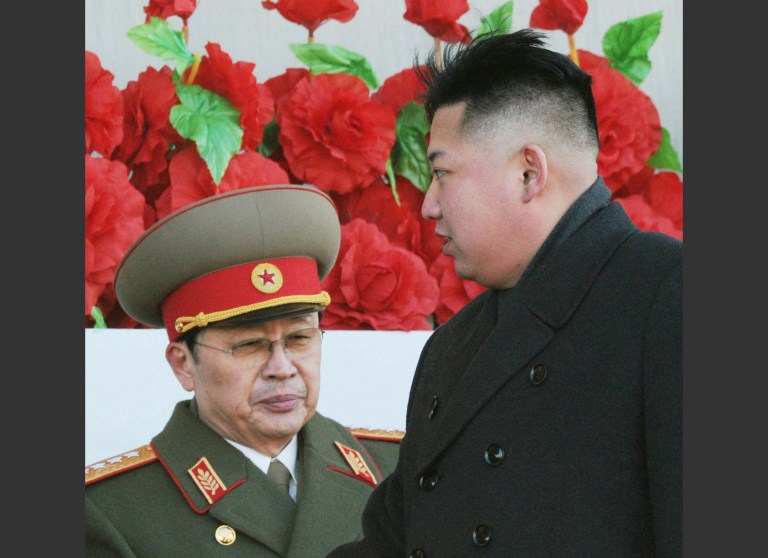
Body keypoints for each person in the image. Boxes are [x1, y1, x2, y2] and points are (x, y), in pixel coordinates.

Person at [327, 29, 682, 557]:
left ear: (527, 173)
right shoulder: (451, 347)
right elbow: (394, 541)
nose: (429, 205)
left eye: (442, 173)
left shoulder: (669, 295)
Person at [85, 184, 403, 557]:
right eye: (249, 346)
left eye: (300, 339)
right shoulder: (115, 511)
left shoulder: (395, 469)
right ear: (183, 364)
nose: (282, 369)